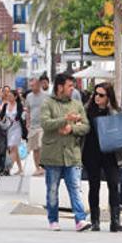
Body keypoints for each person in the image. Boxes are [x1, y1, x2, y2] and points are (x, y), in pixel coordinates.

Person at [40, 73, 93, 232]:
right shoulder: (47, 103)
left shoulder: (77, 105)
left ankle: (80, 220)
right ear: (60, 87)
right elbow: (45, 123)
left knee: (75, 188)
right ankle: (53, 219)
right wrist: (65, 119)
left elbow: (86, 126)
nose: (72, 89)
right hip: (53, 154)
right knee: (52, 189)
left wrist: (71, 128)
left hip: (72, 154)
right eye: (70, 86)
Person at [82, 82, 122, 232]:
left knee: (114, 185)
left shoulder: (114, 111)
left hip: (110, 154)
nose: (97, 97)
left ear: (108, 97)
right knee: (94, 186)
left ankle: (115, 221)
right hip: (91, 153)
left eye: (101, 95)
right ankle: (95, 221)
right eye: (95, 94)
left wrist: (111, 110)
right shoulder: (87, 110)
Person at [25, 78, 49, 177]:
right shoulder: (29, 96)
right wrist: (27, 122)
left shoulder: (46, 96)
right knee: (35, 148)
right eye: (30, 86)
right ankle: (37, 168)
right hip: (33, 126)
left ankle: (44, 166)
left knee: (42, 145)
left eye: (33, 85)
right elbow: (28, 110)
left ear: (39, 85)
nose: (32, 87)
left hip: (43, 125)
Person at [0, 88, 25, 175]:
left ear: (16, 97)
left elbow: (19, 115)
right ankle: (20, 168)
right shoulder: (6, 105)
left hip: (17, 128)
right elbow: (1, 116)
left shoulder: (19, 105)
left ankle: (8, 168)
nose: (9, 97)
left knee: (13, 146)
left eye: (11, 96)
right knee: (14, 149)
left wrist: (13, 119)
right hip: (8, 129)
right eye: (8, 96)